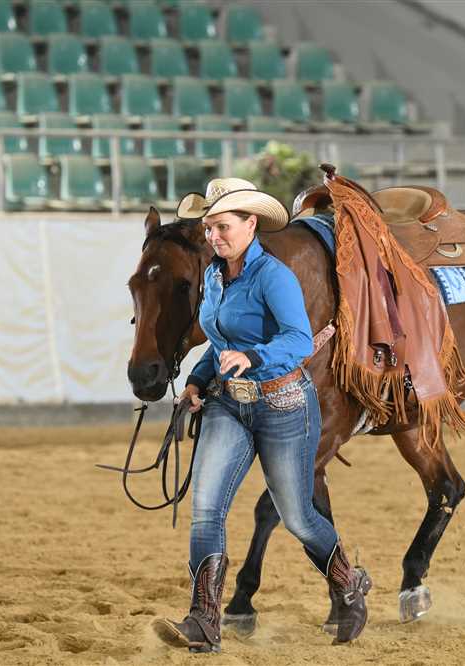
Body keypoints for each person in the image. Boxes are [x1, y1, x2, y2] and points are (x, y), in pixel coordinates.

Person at [151, 178, 372, 653]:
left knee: (298, 518)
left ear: (251, 224)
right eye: (209, 227)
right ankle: (204, 620)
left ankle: (348, 583)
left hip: (283, 403)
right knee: (206, 510)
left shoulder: (274, 276)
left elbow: (297, 340)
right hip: (227, 404)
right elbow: (220, 343)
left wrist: (253, 357)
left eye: (223, 226)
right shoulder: (214, 278)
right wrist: (197, 380)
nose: (214, 236)